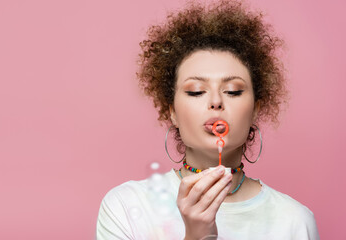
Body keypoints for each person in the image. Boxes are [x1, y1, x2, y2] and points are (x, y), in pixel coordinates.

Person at [96, 0, 320, 239]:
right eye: (196, 91)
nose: (215, 101)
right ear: (172, 112)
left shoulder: (295, 221)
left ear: (255, 109)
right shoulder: (126, 206)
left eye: (233, 91)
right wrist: (196, 234)